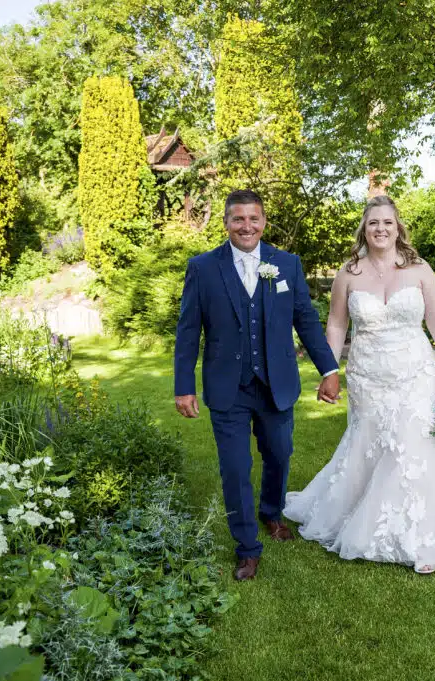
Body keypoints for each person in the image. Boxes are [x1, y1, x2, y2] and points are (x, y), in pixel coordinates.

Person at [284, 195, 435, 574]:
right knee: (370, 443)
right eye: (373, 223)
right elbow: (337, 324)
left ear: (398, 228)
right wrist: (330, 371)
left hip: (415, 372)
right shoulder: (349, 273)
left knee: (413, 443)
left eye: (387, 222)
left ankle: (423, 539)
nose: (380, 229)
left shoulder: (420, 269)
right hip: (367, 375)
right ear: (364, 229)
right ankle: (358, 514)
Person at [174, 189, 341, 581]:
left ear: (264, 222)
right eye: (238, 218)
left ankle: (271, 512)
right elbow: (188, 331)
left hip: (275, 383)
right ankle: (247, 547)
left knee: (279, 454)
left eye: (253, 218)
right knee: (235, 468)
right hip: (227, 386)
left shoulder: (287, 264)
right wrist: (184, 386)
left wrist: (329, 370)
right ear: (226, 223)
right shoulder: (202, 268)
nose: (246, 226)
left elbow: (306, 320)